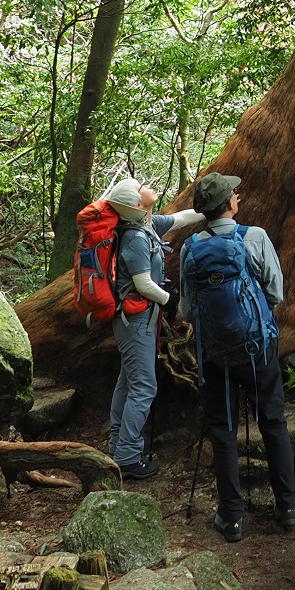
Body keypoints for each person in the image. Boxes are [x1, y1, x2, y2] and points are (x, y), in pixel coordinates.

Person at [177, 171, 295, 543]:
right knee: (273, 421)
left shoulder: (189, 248)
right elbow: (276, 292)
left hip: (215, 355)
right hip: (257, 349)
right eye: (235, 194)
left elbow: (185, 309)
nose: (238, 198)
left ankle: (231, 517)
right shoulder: (254, 237)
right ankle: (287, 507)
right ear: (229, 203)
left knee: (224, 431)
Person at [102, 176, 202, 479]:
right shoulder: (134, 236)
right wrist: (170, 299)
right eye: (140, 188)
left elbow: (183, 218)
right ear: (135, 204)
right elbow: (143, 283)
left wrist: (213, 207)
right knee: (144, 387)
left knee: (128, 382)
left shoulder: (146, 225)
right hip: (135, 322)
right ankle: (128, 457)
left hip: (138, 320)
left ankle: (118, 442)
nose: (146, 186)